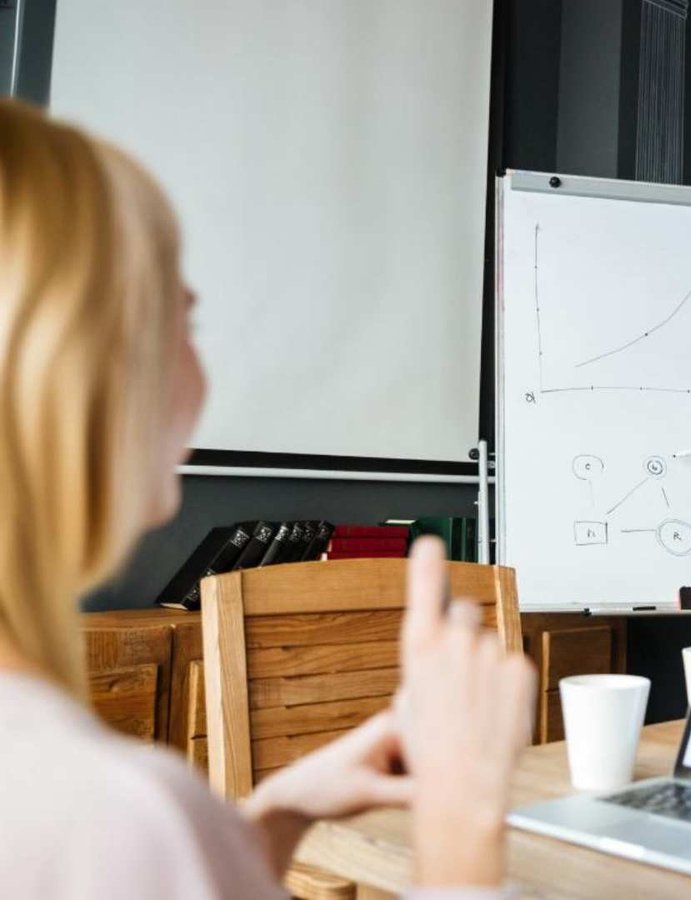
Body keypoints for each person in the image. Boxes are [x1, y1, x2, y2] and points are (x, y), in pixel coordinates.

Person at [0, 98, 534, 897]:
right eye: (182, 323)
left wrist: (276, 812)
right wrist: (462, 821)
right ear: (73, 368)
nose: (200, 375)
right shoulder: (115, 816)